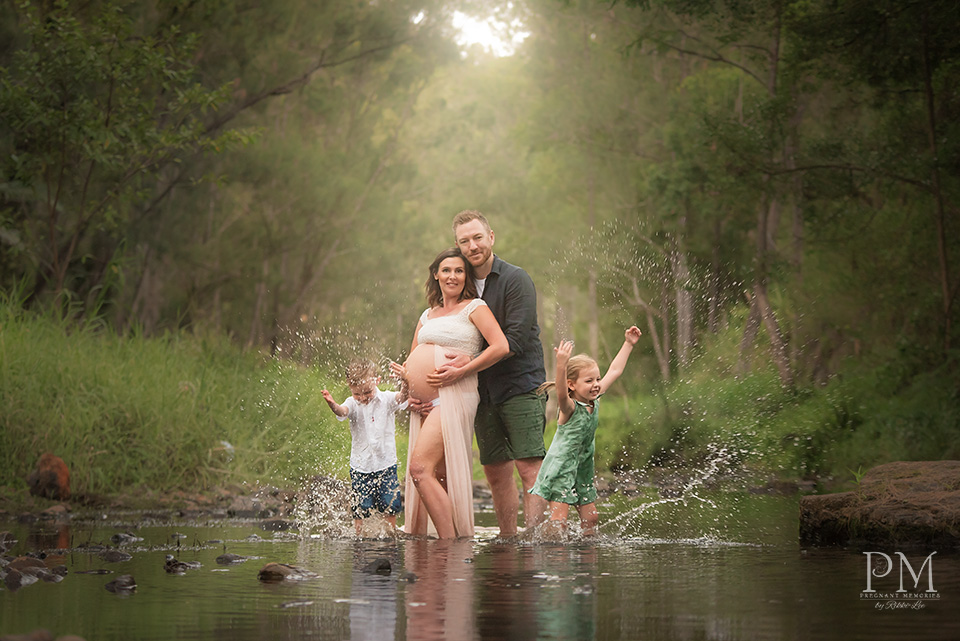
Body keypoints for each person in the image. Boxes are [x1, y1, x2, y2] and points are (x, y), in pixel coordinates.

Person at [421, 210, 548, 537]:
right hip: (481, 391)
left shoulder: (515, 279)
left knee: (528, 466)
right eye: (465, 241)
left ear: (491, 237)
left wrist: (466, 362)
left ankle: (535, 541)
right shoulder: (460, 283)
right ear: (457, 245)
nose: (473, 245)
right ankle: (508, 539)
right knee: (494, 471)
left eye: (478, 237)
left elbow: (514, 341)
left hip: (521, 386)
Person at [391, 247, 509, 538]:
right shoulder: (427, 315)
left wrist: (464, 367)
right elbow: (412, 359)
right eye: (446, 270)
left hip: (456, 396)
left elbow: (500, 346)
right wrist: (410, 394)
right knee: (437, 475)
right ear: (436, 274)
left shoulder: (475, 307)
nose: (452, 276)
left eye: (459, 270)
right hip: (426, 403)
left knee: (419, 469)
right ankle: (440, 544)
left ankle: (450, 543)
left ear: (465, 276)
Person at [530, 326, 642, 536]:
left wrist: (628, 344)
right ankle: (552, 555)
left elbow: (615, 371)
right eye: (589, 381)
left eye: (597, 379)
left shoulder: (595, 399)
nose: (596, 384)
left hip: (583, 467)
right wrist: (561, 364)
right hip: (562, 467)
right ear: (572, 384)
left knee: (591, 519)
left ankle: (585, 559)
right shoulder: (569, 407)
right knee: (559, 522)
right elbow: (561, 393)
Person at [321, 359, 408, 536]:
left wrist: (406, 382)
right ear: (350, 387)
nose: (363, 398)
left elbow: (402, 397)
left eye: (367, 392)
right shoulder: (352, 403)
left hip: (386, 463)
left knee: (390, 504)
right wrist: (333, 405)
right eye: (357, 394)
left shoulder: (386, 399)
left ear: (376, 380)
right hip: (361, 466)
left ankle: (390, 535)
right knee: (361, 507)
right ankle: (359, 536)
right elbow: (342, 411)